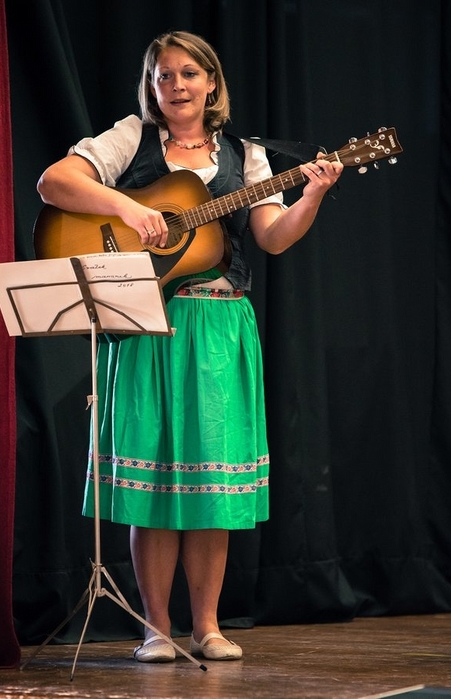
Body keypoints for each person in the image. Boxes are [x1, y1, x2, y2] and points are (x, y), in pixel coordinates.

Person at [37, 30, 343, 663]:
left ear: (211, 83)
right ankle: (156, 628)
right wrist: (129, 210)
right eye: (163, 75)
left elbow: (274, 238)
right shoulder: (131, 137)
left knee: (211, 484)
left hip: (219, 325)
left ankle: (207, 626)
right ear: (151, 87)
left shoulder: (247, 156)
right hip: (146, 324)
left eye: (188, 74)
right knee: (151, 484)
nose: (175, 85)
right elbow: (54, 183)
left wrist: (311, 194)